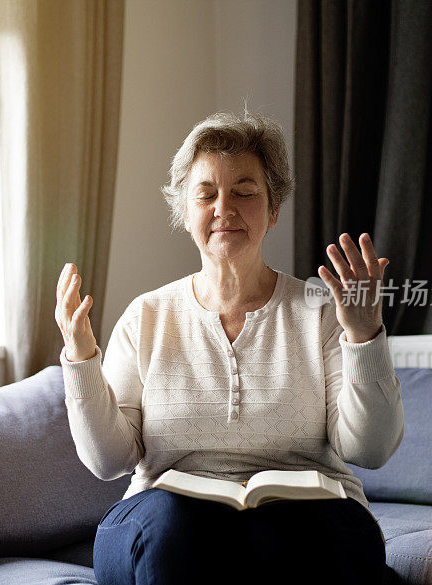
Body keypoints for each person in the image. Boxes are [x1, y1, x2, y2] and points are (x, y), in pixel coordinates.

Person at [54, 110, 404, 584]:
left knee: (314, 536)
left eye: (244, 191)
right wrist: (80, 360)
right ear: (183, 211)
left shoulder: (320, 313)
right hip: (165, 520)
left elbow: (371, 448)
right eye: (206, 194)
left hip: (303, 518)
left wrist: (364, 337)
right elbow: (108, 460)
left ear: (273, 209)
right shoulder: (146, 316)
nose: (225, 207)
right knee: (174, 532)